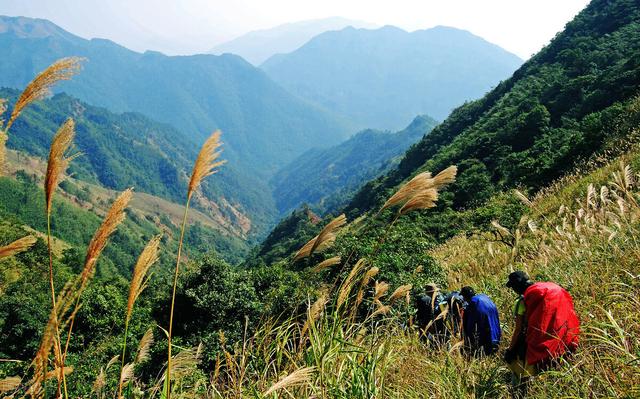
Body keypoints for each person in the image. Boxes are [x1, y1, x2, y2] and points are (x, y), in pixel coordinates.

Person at [504, 271, 580, 372]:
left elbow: (519, 329)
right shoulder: (546, 287)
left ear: (517, 287)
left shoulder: (525, 299)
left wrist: (510, 350)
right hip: (565, 329)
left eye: (513, 287)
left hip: (543, 342)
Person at [460, 286, 501, 356]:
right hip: (496, 337)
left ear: (465, 297)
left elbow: (469, 327)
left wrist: (467, 342)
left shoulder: (472, 304)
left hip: (486, 341)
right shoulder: (485, 298)